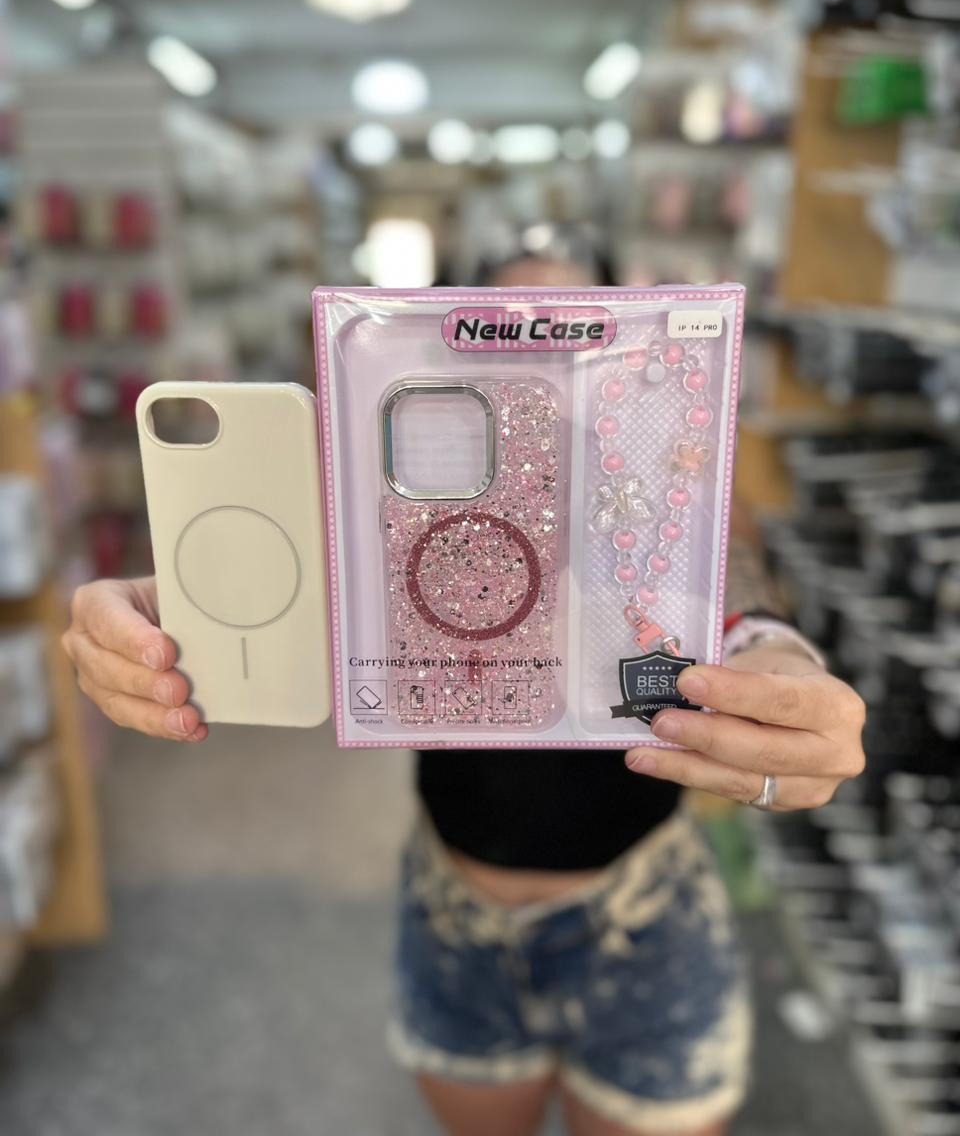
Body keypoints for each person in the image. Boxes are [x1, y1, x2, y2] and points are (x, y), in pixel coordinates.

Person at [62, 260, 866, 1136]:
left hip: (646, 916)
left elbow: (720, 567)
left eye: (571, 332)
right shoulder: (402, 468)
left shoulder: (654, 462)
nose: (539, 357)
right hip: (451, 914)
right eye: (505, 329)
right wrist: (170, 612)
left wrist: (772, 651)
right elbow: (320, 564)